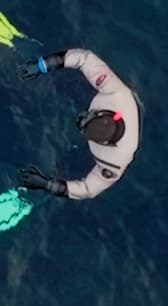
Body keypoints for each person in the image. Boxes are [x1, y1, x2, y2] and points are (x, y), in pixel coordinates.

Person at [16, 47, 140, 200]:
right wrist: (44, 64)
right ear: (107, 114)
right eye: (88, 116)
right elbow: (85, 59)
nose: (80, 119)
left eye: (83, 126)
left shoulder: (113, 163)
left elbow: (88, 189)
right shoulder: (118, 96)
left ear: (101, 142)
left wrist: (47, 184)